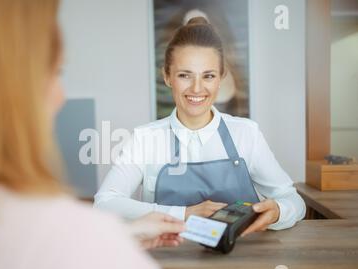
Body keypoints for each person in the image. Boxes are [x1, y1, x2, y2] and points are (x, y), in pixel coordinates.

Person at [0, 0, 186, 269]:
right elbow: (102, 207)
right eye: (55, 72)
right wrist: (110, 245)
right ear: (167, 77)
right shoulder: (98, 260)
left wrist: (120, 237)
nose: (61, 97)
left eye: (208, 75)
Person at [95, 14, 306, 236]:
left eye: (208, 76)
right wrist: (183, 213)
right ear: (167, 77)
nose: (197, 89)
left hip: (241, 263)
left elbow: (294, 200)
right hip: (167, 261)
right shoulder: (145, 139)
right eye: (185, 75)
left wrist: (279, 211)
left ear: (221, 77)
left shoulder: (246, 134)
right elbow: (105, 203)